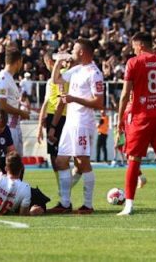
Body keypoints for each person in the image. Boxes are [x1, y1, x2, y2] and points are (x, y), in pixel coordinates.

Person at [116, 32, 156, 216]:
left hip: (140, 117)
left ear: (141, 46)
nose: (133, 51)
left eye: (134, 47)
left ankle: (128, 206)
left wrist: (120, 119)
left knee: (134, 161)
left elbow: (124, 94)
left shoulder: (133, 63)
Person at [49, 39, 104, 214]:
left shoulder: (94, 73)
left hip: (82, 122)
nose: (71, 51)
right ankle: (65, 203)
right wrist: (58, 63)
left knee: (82, 162)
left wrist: (74, 99)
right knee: (61, 161)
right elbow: (56, 80)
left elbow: (99, 102)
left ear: (82, 52)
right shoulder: (76, 69)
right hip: (70, 122)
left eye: (74, 48)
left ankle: (88, 205)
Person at [0, 48, 30, 155]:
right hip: (7, 127)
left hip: (13, 126)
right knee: (11, 164)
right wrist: (21, 112)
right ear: (18, 61)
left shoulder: (9, 78)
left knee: (16, 164)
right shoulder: (3, 78)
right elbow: (2, 105)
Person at [38, 50, 67, 174]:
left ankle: (64, 185)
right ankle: (62, 186)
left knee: (59, 155)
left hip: (59, 116)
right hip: (53, 116)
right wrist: (40, 125)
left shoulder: (63, 74)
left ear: (48, 62)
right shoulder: (51, 80)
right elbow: (46, 102)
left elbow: (60, 99)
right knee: (54, 154)